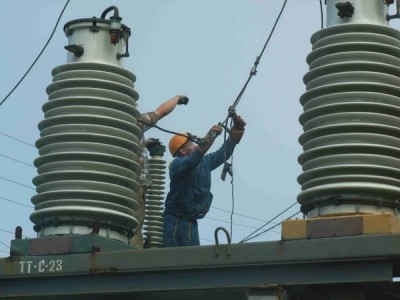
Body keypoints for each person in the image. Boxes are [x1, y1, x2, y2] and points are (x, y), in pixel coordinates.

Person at [163, 115, 246, 247]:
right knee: (169, 259)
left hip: (191, 223)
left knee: (193, 262)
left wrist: (236, 133)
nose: (196, 146)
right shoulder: (176, 165)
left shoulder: (205, 162)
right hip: (173, 222)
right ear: (182, 151)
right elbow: (192, 161)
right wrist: (211, 136)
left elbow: (223, 153)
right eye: (192, 144)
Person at [130, 95, 189, 248]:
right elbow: (159, 112)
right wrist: (176, 98)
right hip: (134, 185)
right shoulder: (135, 123)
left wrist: (144, 143)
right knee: (134, 224)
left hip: (126, 184)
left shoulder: (116, 126)